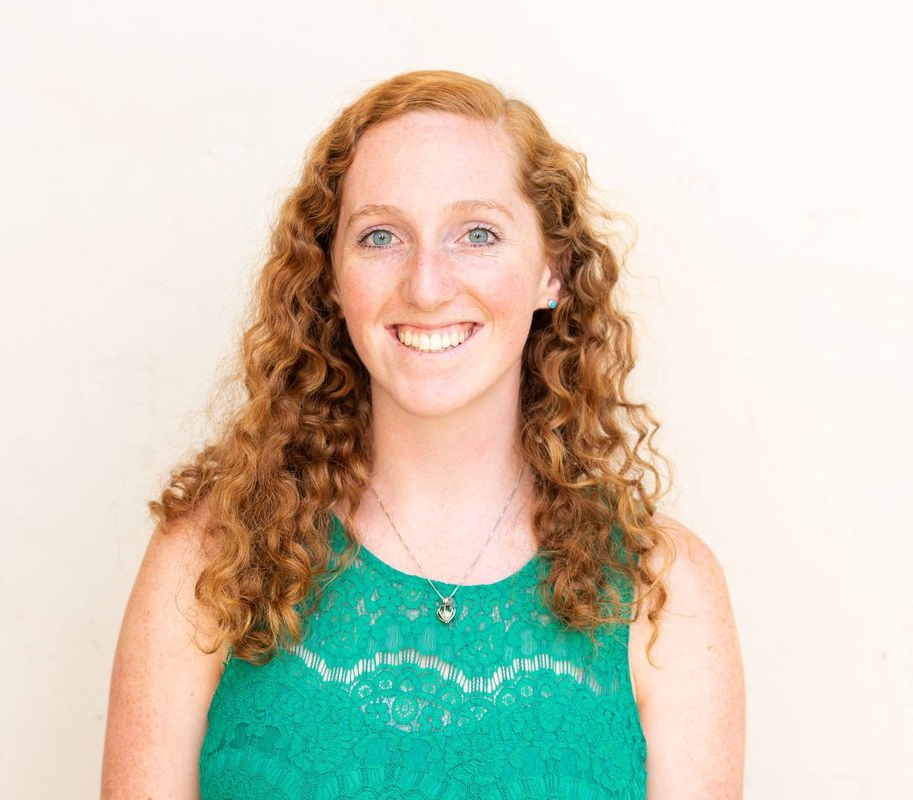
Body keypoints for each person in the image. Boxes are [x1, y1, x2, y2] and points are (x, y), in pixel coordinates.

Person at [101, 69, 745, 799]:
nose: (427, 285)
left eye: (477, 234)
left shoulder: (666, 590)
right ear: (331, 277)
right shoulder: (208, 556)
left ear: (552, 273)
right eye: (380, 236)